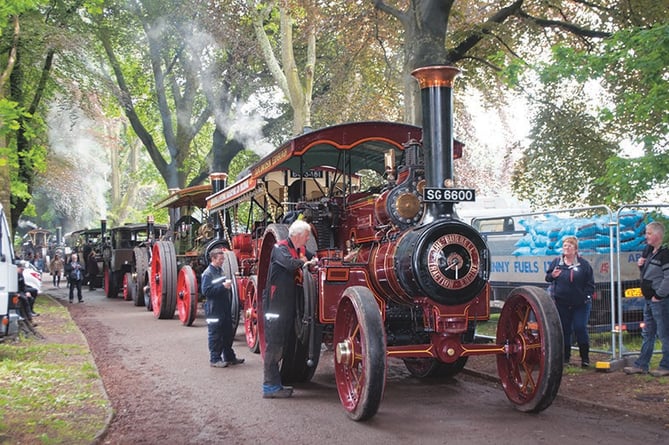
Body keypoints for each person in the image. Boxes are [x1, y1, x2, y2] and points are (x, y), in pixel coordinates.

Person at [262, 219, 317, 398]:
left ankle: (279, 382)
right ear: (297, 235)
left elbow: (313, 258)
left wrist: (311, 260)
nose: (308, 239)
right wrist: (304, 262)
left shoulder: (300, 250)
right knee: (275, 346)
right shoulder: (280, 248)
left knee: (284, 345)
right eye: (307, 236)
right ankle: (269, 387)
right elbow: (289, 263)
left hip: (288, 306)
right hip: (276, 307)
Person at [624, 221, 669, 377]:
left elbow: (668, 277)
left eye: (649, 233)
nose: (646, 236)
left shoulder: (665, 253)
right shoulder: (649, 251)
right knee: (648, 333)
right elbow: (648, 274)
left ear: (657, 235)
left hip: (660, 301)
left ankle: (666, 365)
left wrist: (659, 295)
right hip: (649, 300)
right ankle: (642, 365)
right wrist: (641, 265)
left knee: (664, 333)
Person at [545, 236, 595, 367]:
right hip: (562, 303)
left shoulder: (584, 265)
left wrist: (585, 296)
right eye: (565, 246)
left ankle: (585, 358)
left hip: (581, 304)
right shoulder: (557, 262)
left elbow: (590, 284)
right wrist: (552, 276)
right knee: (565, 330)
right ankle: (565, 358)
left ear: (576, 249)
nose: (566, 248)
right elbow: (548, 278)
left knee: (580, 328)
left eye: (569, 246)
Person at [201, 247, 244, 368]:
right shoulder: (207, 273)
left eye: (223, 259)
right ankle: (215, 359)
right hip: (214, 309)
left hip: (224, 307)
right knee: (215, 335)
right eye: (220, 259)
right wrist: (223, 287)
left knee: (227, 333)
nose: (223, 261)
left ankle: (229, 357)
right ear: (213, 259)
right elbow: (206, 291)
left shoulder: (220, 271)